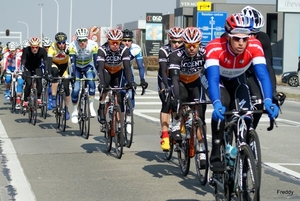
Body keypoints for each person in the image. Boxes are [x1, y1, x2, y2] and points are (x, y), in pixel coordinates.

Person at [205, 13, 279, 172]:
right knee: (223, 105)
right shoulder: (214, 47)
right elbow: (212, 78)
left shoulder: (255, 45)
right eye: (236, 38)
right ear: (228, 36)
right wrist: (216, 102)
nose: (241, 43)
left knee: (246, 114)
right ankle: (216, 153)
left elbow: (263, 75)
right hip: (218, 81)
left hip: (238, 81)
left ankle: (242, 151)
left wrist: (268, 100)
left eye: (245, 38)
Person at [167, 27, 207, 167]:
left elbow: (210, 73)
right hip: (181, 82)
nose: (191, 49)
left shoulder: (204, 52)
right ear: (183, 43)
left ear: (199, 44)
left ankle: (202, 150)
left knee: (200, 116)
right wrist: (177, 97)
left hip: (196, 82)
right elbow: (174, 79)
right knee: (180, 98)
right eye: (188, 45)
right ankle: (176, 124)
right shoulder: (176, 55)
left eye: (194, 45)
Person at [241, 6, 281, 129]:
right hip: (234, 72)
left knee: (259, 102)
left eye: (256, 33)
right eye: (250, 33)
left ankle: (250, 134)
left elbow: (268, 67)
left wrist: (273, 94)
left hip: (252, 72)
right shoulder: (235, 38)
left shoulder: (263, 39)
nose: (253, 37)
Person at [97, 28, 134, 125]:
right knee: (105, 87)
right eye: (112, 42)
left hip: (117, 71)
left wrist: (130, 81)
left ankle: (119, 124)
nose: (115, 45)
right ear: (108, 41)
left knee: (119, 93)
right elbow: (100, 68)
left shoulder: (124, 49)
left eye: (117, 43)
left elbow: (127, 68)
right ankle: (101, 106)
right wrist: (101, 83)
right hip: (106, 70)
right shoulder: (102, 49)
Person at [158, 26, 184, 151]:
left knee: (182, 103)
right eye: (174, 42)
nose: (177, 44)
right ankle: (165, 136)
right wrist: (166, 87)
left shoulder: (185, 50)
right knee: (167, 102)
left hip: (179, 78)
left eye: (180, 42)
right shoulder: (164, 50)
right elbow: (163, 70)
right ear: (170, 40)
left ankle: (179, 125)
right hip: (165, 78)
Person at [69, 27, 98, 123]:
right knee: (76, 89)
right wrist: (73, 75)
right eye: (80, 40)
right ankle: (74, 111)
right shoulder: (72, 46)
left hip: (88, 66)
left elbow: (96, 61)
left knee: (91, 82)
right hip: (76, 68)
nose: (82, 43)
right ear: (76, 39)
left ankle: (90, 106)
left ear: (87, 39)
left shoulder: (93, 45)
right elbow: (72, 62)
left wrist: (99, 74)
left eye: (84, 40)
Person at [121, 29, 148, 109]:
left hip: (128, 68)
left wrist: (142, 80)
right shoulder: (117, 48)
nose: (127, 43)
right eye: (124, 40)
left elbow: (140, 66)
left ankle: (129, 113)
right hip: (117, 68)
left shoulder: (136, 49)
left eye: (129, 40)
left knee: (131, 89)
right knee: (118, 90)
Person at [47, 32, 71, 120]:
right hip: (55, 64)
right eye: (59, 43)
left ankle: (66, 109)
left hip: (64, 66)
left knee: (67, 88)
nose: (61, 45)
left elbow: (72, 61)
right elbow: (49, 62)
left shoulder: (69, 47)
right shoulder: (52, 47)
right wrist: (48, 73)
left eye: (63, 43)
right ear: (57, 42)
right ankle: (53, 97)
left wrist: (72, 74)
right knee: (54, 72)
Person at [21, 37, 48, 110]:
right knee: (29, 83)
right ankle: (25, 101)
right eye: (33, 47)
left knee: (39, 80)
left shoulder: (42, 51)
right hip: (28, 68)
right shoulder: (26, 50)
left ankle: (39, 98)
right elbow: (23, 61)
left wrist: (46, 72)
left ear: (39, 46)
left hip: (37, 67)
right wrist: (23, 71)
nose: (34, 49)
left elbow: (46, 62)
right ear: (30, 46)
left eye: (36, 47)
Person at [2, 42, 24, 109]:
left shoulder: (20, 53)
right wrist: (4, 70)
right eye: (11, 51)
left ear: (16, 49)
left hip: (18, 69)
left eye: (13, 50)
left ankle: (18, 100)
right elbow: (5, 63)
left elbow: (18, 62)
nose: (12, 52)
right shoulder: (6, 53)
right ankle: (8, 91)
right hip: (10, 68)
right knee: (8, 79)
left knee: (20, 82)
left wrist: (17, 71)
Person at [42, 37, 53, 110]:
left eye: (48, 47)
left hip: (49, 70)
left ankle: (50, 101)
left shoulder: (52, 52)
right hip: (42, 69)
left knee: (50, 85)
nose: (47, 48)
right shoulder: (40, 52)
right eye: (45, 47)